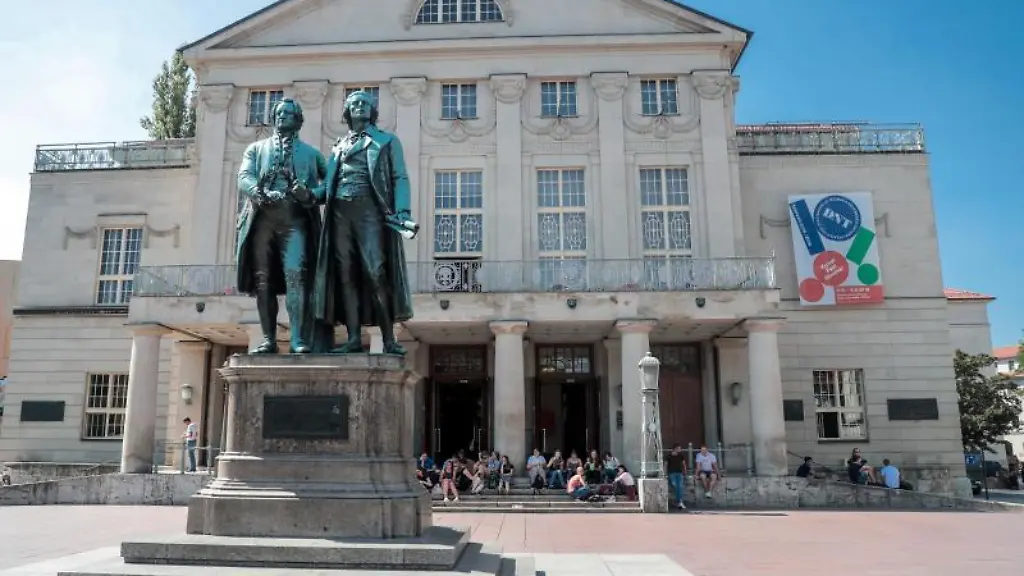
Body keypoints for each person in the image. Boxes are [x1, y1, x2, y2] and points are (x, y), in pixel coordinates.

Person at [313, 90, 415, 355]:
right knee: (347, 276)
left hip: (370, 211)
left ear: (373, 111)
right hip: (339, 214)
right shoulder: (338, 146)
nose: (360, 106)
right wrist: (307, 194)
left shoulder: (386, 141)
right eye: (354, 103)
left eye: (365, 103)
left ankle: (389, 338)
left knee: (376, 273)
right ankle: (353, 337)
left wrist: (402, 210)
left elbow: (399, 177)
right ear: (346, 112)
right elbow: (325, 189)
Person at [236, 98, 326, 354]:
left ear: (299, 121)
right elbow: (244, 176)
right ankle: (268, 339)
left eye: (290, 113)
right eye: (280, 113)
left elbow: (330, 184)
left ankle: (298, 339)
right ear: (274, 118)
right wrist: (258, 192)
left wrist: (310, 194)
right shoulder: (255, 149)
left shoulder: (311, 154)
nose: (284, 116)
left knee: (296, 276)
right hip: (262, 221)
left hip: (295, 222)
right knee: (263, 281)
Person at [666, 444, 688, 509]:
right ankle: (679, 502)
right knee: (675, 485)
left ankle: (679, 501)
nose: (680, 450)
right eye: (679, 448)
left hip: (679, 473)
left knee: (680, 486)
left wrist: (685, 471)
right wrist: (664, 473)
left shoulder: (681, 456)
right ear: (675, 449)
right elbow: (666, 464)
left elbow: (684, 464)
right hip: (671, 473)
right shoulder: (669, 456)